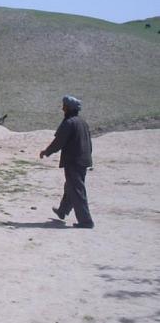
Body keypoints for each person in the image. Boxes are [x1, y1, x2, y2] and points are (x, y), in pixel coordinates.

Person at [39, 95, 94, 228]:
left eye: (64, 107)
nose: (63, 109)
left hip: (74, 161)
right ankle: (63, 211)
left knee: (76, 189)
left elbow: (58, 142)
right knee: (71, 186)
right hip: (83, 159)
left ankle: (86, 221)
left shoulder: (69, 123)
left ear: (69, 108)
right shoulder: (82, 122)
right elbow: (89, 142)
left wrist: (46, 152)